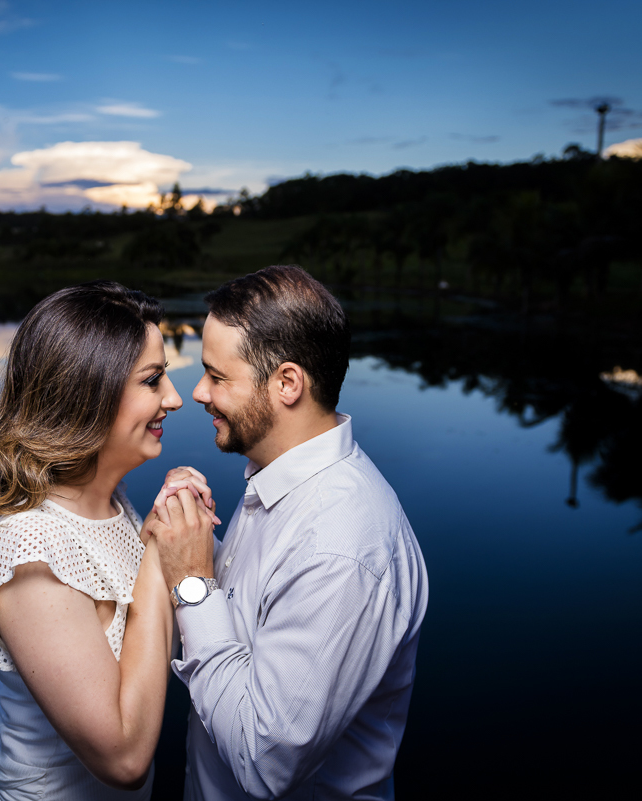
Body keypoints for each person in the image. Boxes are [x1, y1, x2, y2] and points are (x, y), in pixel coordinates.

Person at [148, 265, 430, 801]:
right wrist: (192, 544)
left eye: (217, 375)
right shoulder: (284, 483)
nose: (199, 392)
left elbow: (263, 763)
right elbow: (254, 623)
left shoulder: (343, 547)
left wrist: (192, 582)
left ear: (287, 383)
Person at [0, 281, 217, 801]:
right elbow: (124, 758)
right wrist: (162, 554)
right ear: (88, 392)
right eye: (153, 379)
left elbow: (132, 613)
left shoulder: (111, 505)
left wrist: (165, 526)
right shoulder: (30, 549)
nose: (175, 399)